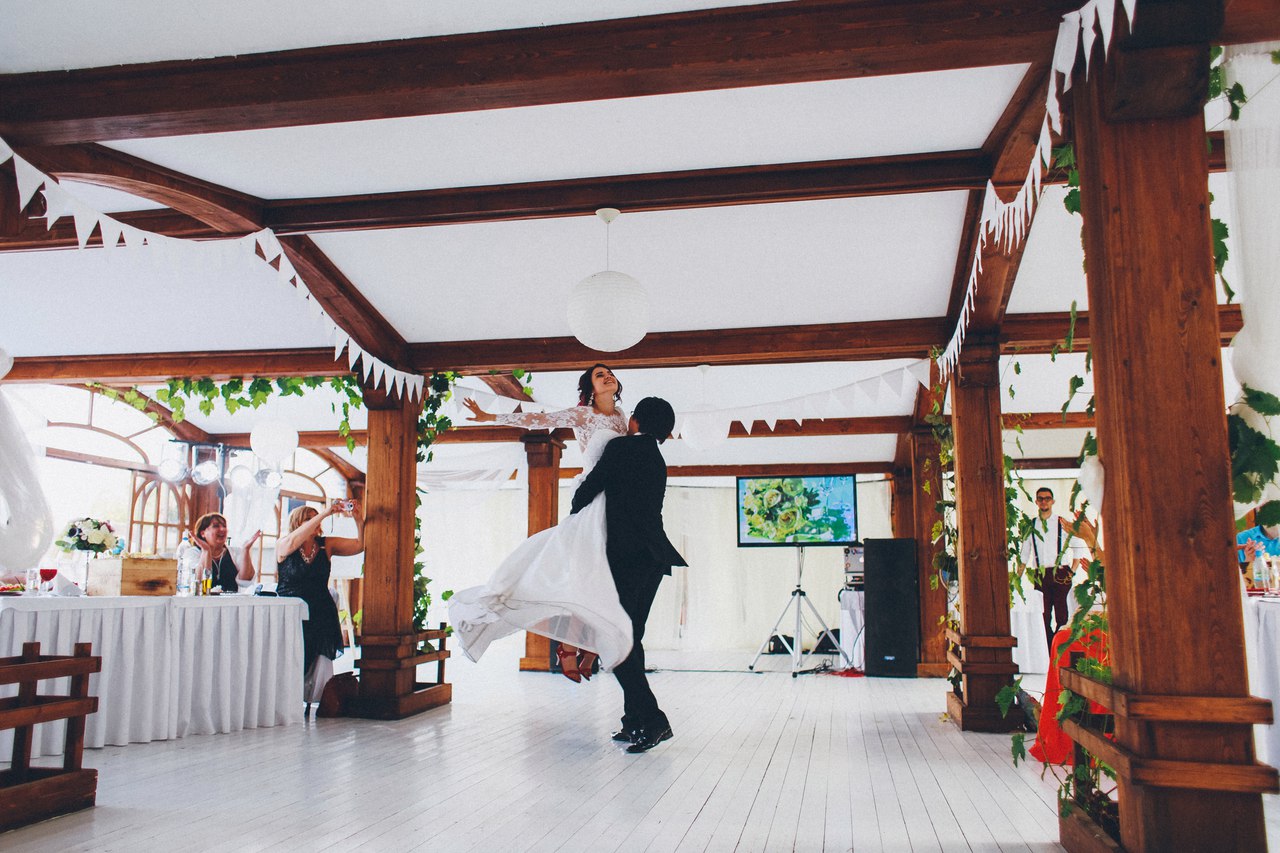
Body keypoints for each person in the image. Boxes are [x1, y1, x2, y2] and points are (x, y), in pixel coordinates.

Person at [449, 364, 634, 682]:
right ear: (590, 388)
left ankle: (590, 645)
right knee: (581, 573)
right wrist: (488, 416)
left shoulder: (621, 416)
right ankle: (568, 646)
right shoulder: (583, 415)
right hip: (592, 497)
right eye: (599, 375)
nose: (607, 377)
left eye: (610, 373)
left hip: (618, 498)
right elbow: (538, 419)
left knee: (606, 575)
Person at [570, 397, 687, 754]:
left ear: (634, 420)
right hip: (653, 557)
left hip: (627, 558)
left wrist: (575, 514)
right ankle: (633, 720)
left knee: (616, 638)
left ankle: (653, 720)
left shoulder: (622, 448)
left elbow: (590, 488)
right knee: (630, 638)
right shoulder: (656, 458)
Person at [276, 499, 364, 714]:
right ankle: (287, 698)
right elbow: (292, 541)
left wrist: (358, 519)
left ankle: (314, 698)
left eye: (315, 518)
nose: (315, 522)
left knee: (320, 656)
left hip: (320, 608)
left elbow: (358, 545)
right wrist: (326, 512)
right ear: (298, 523)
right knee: (294, 655)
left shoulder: (326, 544)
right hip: (292, 611)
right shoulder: (285, 544)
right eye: (308, 519)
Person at [1020, 487, 1090, 650]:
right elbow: (1024, 554)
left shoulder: (1062, 522)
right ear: (1036, 502)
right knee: (1043, 615)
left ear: (1052, 501)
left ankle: (1061, 648)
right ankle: (1049, 649)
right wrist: (1017, 578)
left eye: (1047, 498)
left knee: (1062, 615)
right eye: (1040, 498)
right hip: (1040, 575)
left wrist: (1072, 571)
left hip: (1061, 573)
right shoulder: (1031, 525)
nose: (1044, 501)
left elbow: (1077, 546)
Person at [190, 512, 261, 592]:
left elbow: (245, 582)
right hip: (203, 600)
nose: (222, 529)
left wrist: (246, 550)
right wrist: (206, 552)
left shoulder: (235, 552)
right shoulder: (193, 553)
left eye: (224, 526)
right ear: (203, 533)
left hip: (232, 600)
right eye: (216, 526)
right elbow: (199, 584)